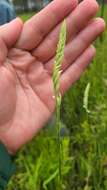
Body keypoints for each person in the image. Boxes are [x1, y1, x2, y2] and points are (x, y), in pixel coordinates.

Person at [0, 0, 105, 188]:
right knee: (60, 134)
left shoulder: (4, 8)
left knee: (61, 133)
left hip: (30, 91)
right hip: (25, 94)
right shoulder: (4, 8)